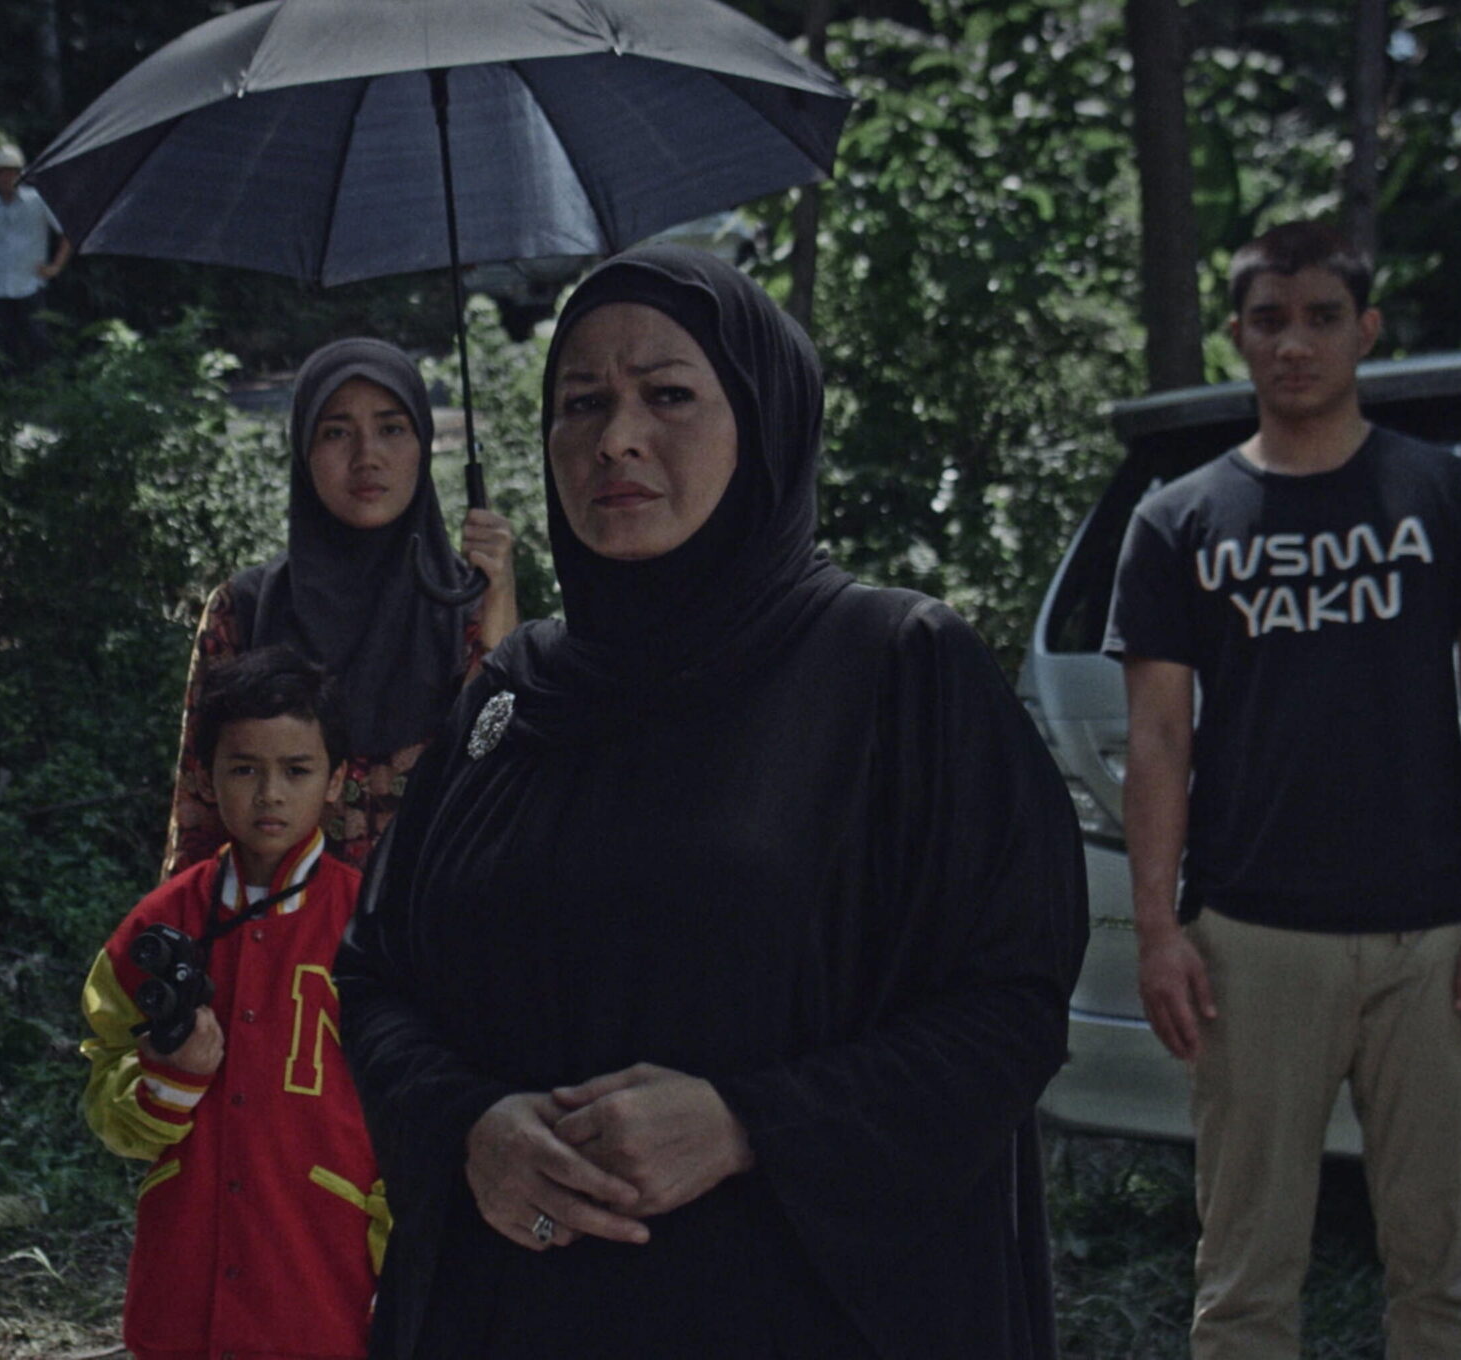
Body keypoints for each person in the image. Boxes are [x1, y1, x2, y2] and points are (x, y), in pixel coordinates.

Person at [335, 246, 1089, 1359]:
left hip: (795, 1313)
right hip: (515, 1311)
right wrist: (467, 1128)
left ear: (763, 419)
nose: (616, 437)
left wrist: (749, 1125)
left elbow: (1008, 1004)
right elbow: (377, 973)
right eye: (581, 402)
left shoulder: (892, 669)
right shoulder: (513, 695)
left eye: (668, 395)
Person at [1105, 220, 1461, 1360]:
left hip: (1434, 939)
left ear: (1366, 330)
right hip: (1251, 942)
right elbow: (1157, 741)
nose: (1294, 344)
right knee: (1244, 1284)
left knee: (1445, 1277)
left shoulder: (1451, 499)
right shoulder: (1178, 520)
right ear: (1238, 335)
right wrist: (1158, 931)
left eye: (1321, 318)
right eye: (1269, 321)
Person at [82, 647, 385, 1360]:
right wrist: (166, 1078)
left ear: (337, 780)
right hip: (185, 1272)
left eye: (297, 770)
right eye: (244, 769)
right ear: (208, 774)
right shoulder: (159, 924)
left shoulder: (374, 928)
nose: (269, 794)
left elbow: (413, 1113)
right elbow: (106, 1094)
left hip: (322, 1273)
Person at [161, 338, 518, 877]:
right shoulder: (245, 610)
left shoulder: (472, 603)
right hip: (279, 922)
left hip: (437, 918)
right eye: (335, 432)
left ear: (423, 445)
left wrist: (502, 612)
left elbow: (508, 790)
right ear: (303, 451)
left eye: (392, 429)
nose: (366, 456)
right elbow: (199, 812)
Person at [0, 143, 72, 367]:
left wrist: (56, 267)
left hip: (29, 284)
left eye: (11, 172)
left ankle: (43, 383)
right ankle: (6, 386)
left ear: (20, 173)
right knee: (2, 349)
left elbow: (67, 234)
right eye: (0, 172)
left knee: (38, 343)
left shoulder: (37, 200)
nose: (5, 178)